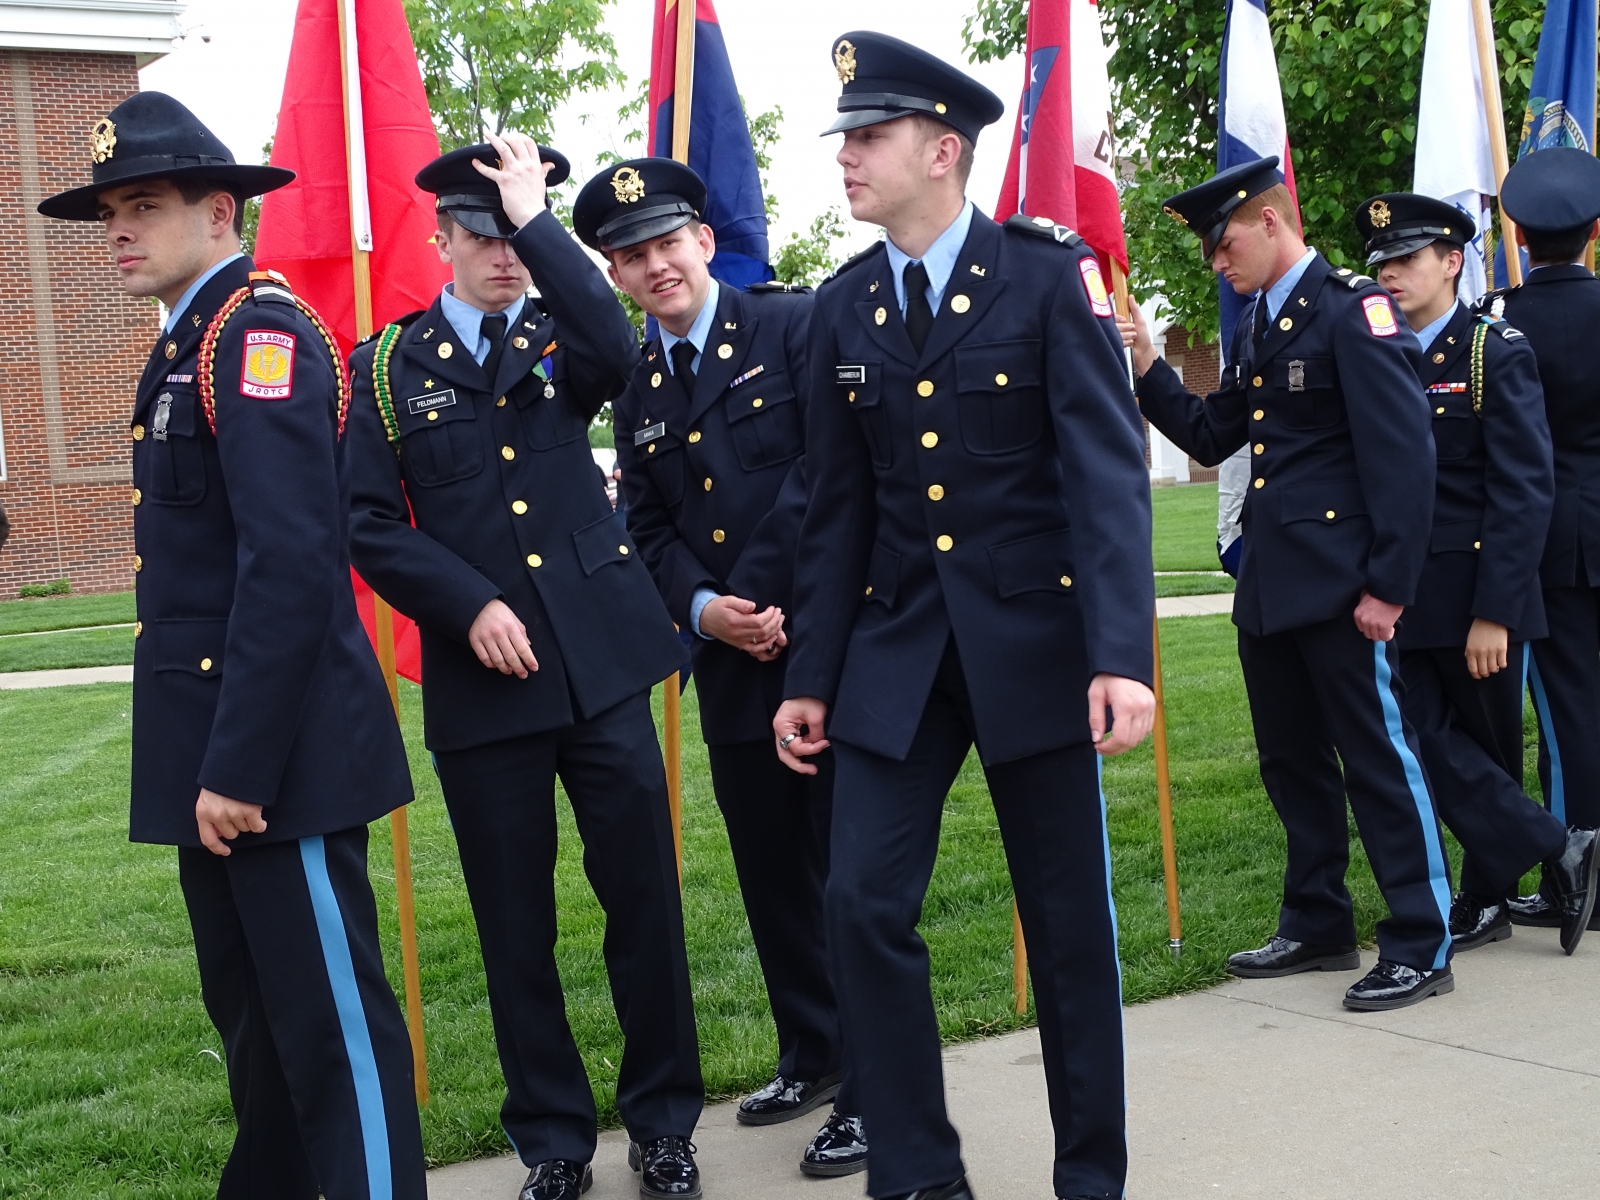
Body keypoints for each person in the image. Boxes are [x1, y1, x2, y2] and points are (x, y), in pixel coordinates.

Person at [774, 32, 1156, 1200]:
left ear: (942, 152)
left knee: (1066, 924)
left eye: (868, 135)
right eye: (844, 136)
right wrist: (810, 676)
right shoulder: (840, 308)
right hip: (896, 654)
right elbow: (835, 512)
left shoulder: (1044, 279)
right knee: (859, 903)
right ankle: (917, 1173)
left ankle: (1089, 1176)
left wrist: (1120, 656)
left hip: (1035, 648)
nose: (845, 156)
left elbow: (1105, 480)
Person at [39, 92, 427, 1198]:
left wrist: (240, 769)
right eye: (110, 211)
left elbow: (291, 567)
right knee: (260, 1026)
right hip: (221, 758)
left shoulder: (255, 336)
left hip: (275, 769)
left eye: (144, 205)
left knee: (330, 1035)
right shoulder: (191, 341)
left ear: (221, 213)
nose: (118, 230)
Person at [345, 134, 704, 1200]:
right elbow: (366, 522)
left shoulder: (564, 332)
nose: (505, 254)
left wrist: (539, 218)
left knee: (643, 901)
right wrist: (468, 605)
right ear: (443, 240)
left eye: (517, 236)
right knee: (515, 925)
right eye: (486, 235)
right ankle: (552, 1140)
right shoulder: (385, 367)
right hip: (484, 685)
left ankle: (664, 1124)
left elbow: (620, 345)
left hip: (599, 669)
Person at [576, 158, 866, 1179]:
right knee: (772, 870)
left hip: (824, 641)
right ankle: (814, 1051)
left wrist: (754, 596)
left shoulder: (791, 327)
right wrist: (706, 612)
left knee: (849, 872)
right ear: (614, 274)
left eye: (667, 242)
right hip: (733, 660)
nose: (654, 265)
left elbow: (826, 470)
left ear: (703, 241)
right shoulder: (634, 383)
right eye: (631, 255)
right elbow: (647, 523)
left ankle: (876, 1087)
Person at [1127, 158, 1456, 1012]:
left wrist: (1390, 587)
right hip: (1275, 583)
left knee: (1378, 760)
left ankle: (1421, 939)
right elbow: (1212, 435)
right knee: (1290, 760)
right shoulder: (1258, 326)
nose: (1216, 261)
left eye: (1224, 242)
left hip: (1347, 589)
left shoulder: (1354, 310)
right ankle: (1317, 921)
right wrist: (1149, 366)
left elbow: (1406, 454)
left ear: (1270, 221)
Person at [1356, 192, 1580, 952]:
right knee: (1421, 738)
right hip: (1401, 591)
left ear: (1453, 262)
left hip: (1475, 597)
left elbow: (1524, 490)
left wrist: (1497, 612)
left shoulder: (1492, 350)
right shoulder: (1376, 348)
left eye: (1406, 259)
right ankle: (1556, 847)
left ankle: (1487, 897)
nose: (1390, 274)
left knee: (1486, 750)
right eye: (1381, 262)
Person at [1479, 147, 1600, 949]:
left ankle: (1580, 881)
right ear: (1596, 231)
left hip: (1549, 539)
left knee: (1569, 716)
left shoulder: (1499, 322)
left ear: (1518, 236)